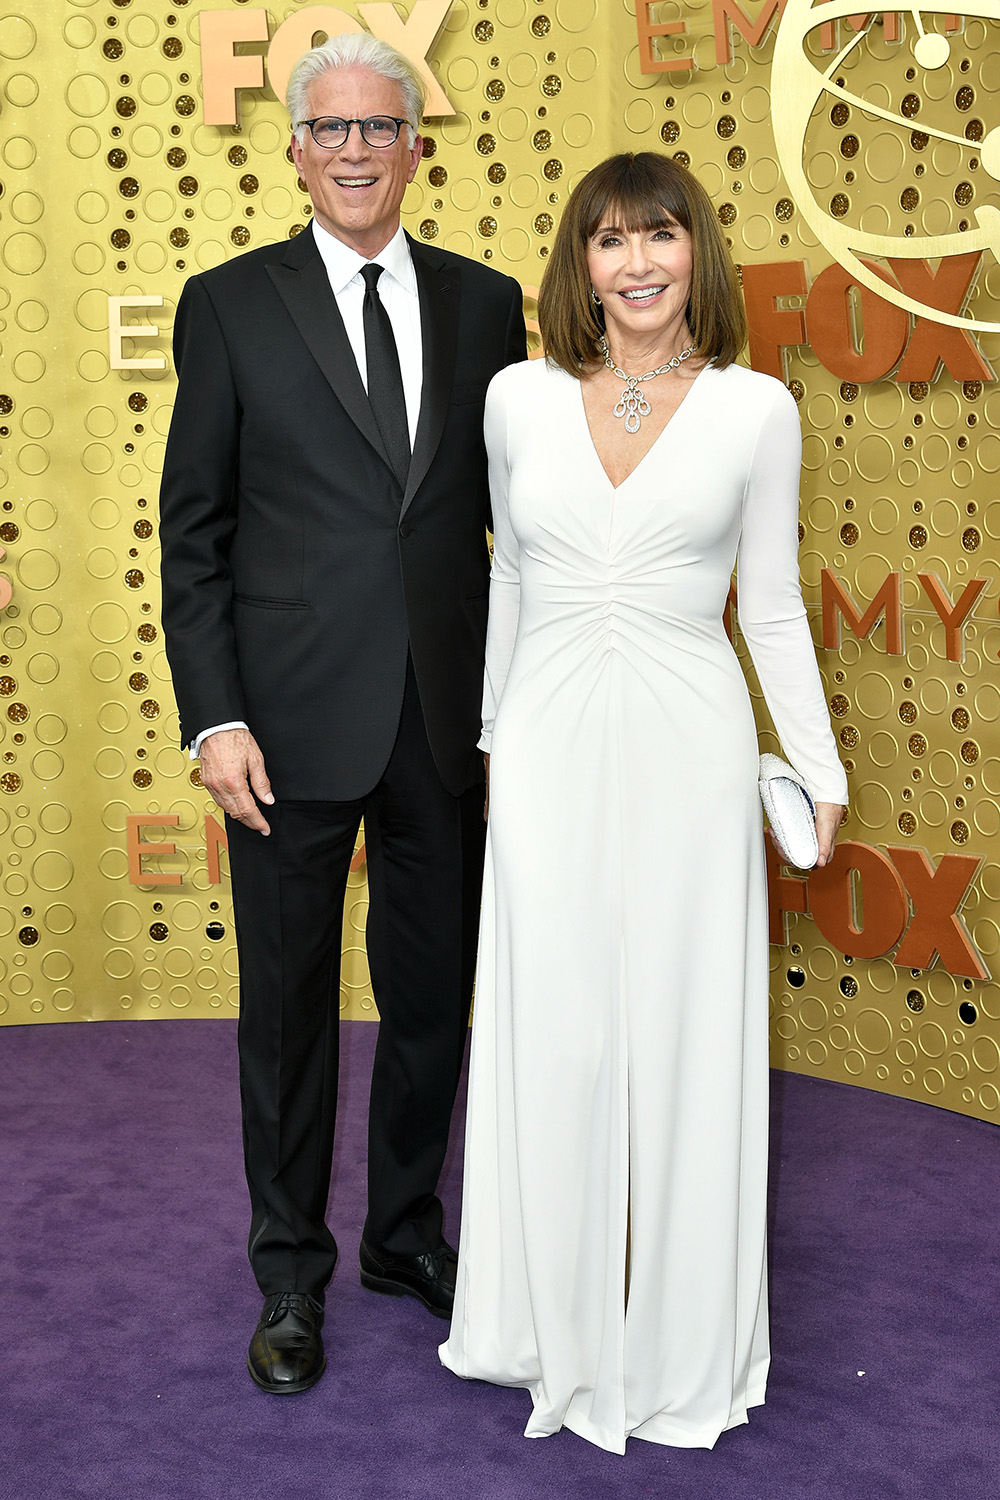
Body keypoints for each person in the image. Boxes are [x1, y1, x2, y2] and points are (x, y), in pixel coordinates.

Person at [439, 151, 848, 1452]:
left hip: (691, 740)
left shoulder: (755, 412)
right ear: (581, 263)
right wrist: (495, 743)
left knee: (681, 1034)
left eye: (661, 237)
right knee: (553, 1030)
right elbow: (506, 583)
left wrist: (821, 769)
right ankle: (545, 1321)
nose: (637, 265)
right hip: (550, 741)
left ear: (696, 254)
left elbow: (770, 605)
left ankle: (676, 1339)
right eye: (611, 241)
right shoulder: (515, 400)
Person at [158, 33, 526, 1395]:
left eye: (383, 129)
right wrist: (216, 718)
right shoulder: (231, 303)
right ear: (296, 148)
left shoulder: (489, 306)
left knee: (432, 1002)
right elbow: (192, 532)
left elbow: (514, 528)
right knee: (289, 1014)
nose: (359, 152)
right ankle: (291, 1275)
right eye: (335, 131)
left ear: (417, 149)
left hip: (445, 723)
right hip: (287, 733)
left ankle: (405, 1237)